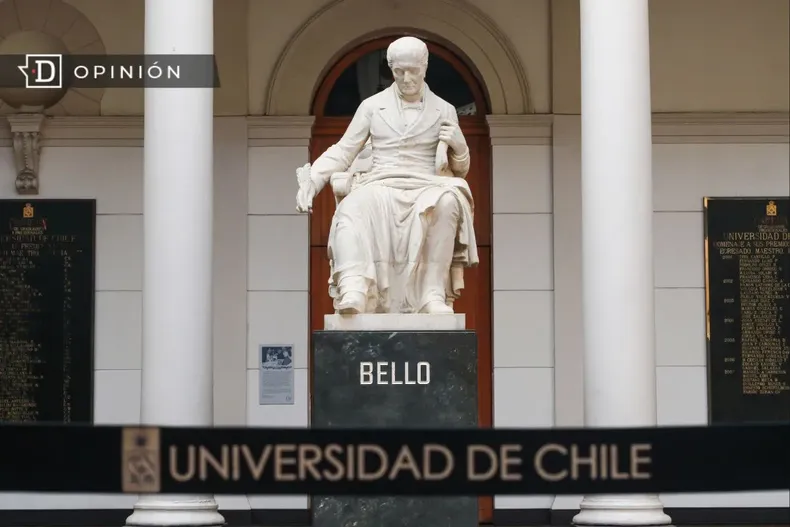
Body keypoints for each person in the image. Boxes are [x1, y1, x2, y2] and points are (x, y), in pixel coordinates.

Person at [296, 36, 478, 314]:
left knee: (448, 201)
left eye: (413, 71)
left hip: (425, 183)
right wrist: (314, 180)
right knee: (351, 208)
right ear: (391, 69)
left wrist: (460, 145)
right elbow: (345, 151)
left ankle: (432, 294)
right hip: (380, 182)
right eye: (399, 71)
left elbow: (459, 168)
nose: (406, 78)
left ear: (425, 67)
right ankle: (354, 287)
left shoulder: (445, 109)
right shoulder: (371, 107)